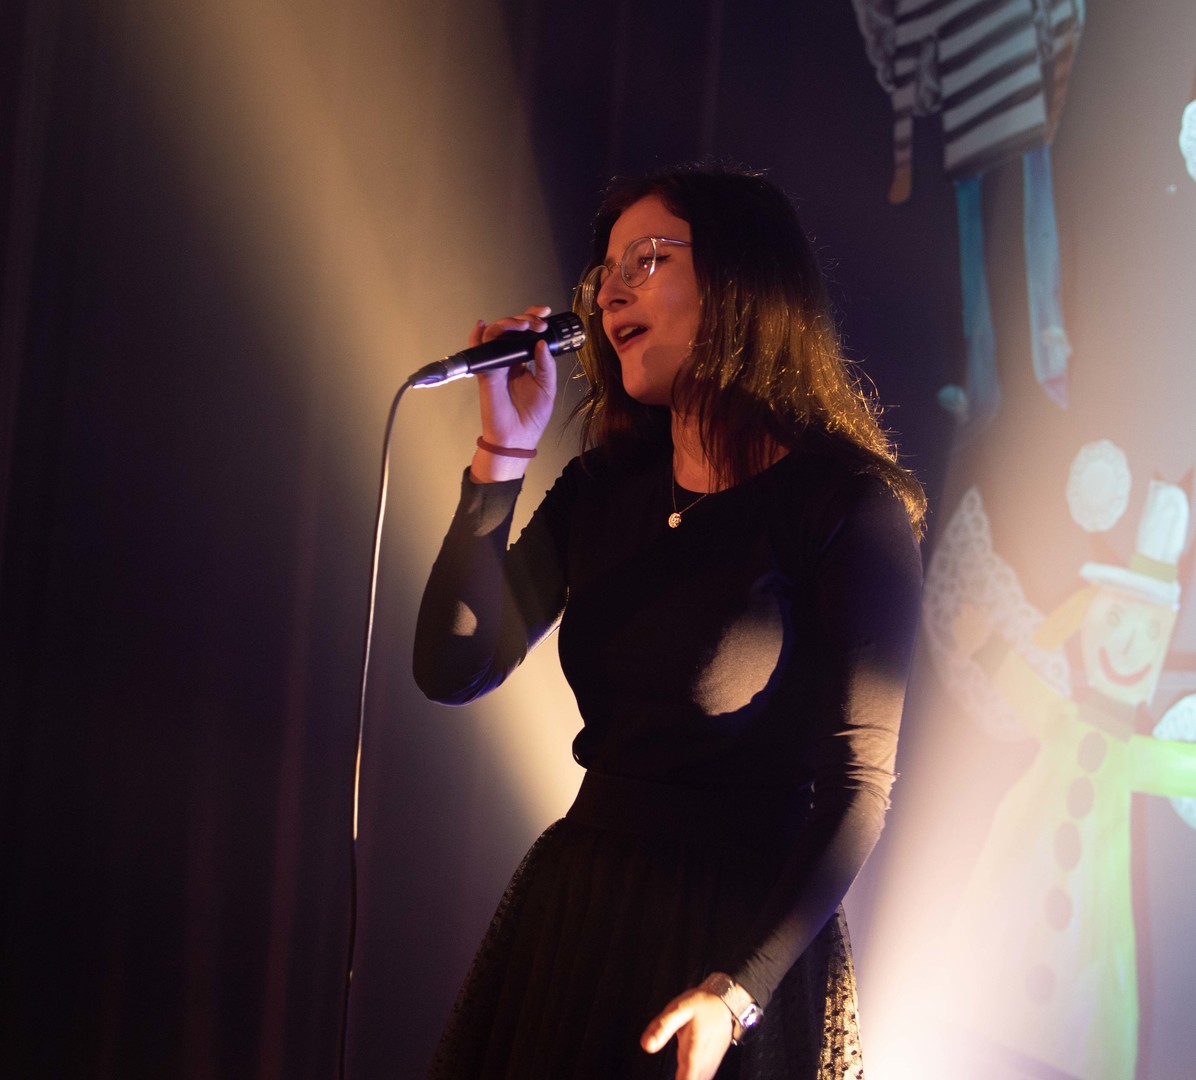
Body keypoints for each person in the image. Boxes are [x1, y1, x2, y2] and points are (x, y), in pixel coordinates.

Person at [413, 164, 926, 1080]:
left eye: (646, 261)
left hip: (736, 939)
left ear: (739, 281)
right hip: (579, 911)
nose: (611, 293)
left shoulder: (844, 506)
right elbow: (454, 664)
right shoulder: (606, 488)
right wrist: (501, 455)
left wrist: (737, 992)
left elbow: (858, 787)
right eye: (606, 272)